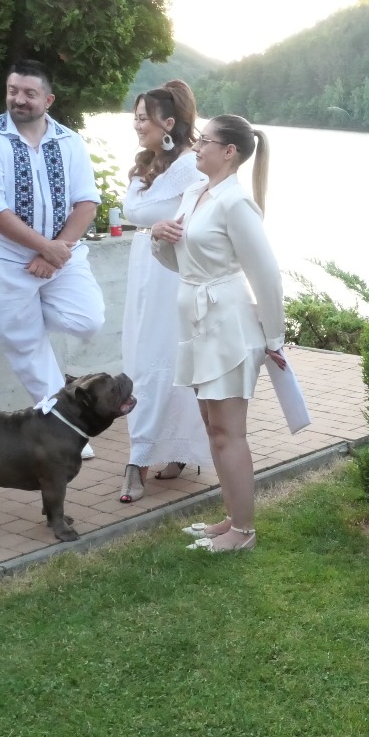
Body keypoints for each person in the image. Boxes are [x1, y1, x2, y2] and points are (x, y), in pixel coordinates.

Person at [150, 115, 285, 554]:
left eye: (204, 141)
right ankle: (232, 517)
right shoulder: (196, 193)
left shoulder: (236, 202)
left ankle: (244, 532)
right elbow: (180, 262)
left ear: (229, 151)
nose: (195, 147)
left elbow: (266, 274)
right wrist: (158, 237)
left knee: (229, 432)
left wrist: (275, 338)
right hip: (196, 320)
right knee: (213, 428)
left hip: (228, 324)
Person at [0, 60, 105, 457]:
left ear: (48, 99)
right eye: (13, 91)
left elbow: (87, 201)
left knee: (89, 319)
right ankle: (67, 435)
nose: (19, 99)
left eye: (29, 93)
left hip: (63, 253)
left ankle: (8, 317)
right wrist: (44, 247)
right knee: (27, 348)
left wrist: (55, 251)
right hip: (3, 256)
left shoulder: (69, 141)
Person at [118, 80, 212, 503]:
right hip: (145, 269)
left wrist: (163, 228)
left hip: (174, 275)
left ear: (168, 123)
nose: (137, 125)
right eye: (136, 117)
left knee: (166, 362)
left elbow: (204, 220)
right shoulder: (146, 165)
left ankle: (140, 459)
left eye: (144, 118)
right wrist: (151, 229)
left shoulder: (192, 167)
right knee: (141, 357)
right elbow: (135, 213)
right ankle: (162, 451)